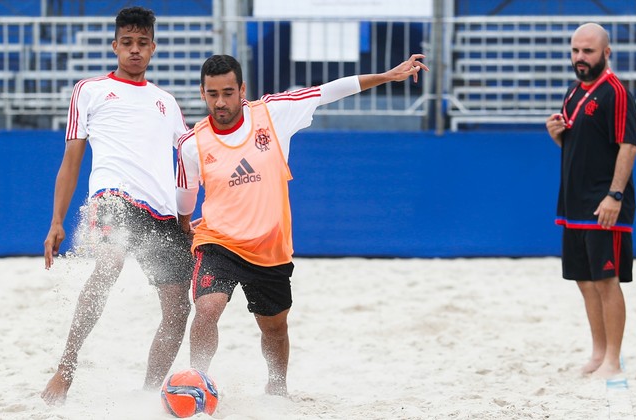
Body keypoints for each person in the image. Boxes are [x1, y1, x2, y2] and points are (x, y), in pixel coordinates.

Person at [175, 54, 429, 396]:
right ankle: (196, 383)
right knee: (206, 309)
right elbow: (185, 194)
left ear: (242, 90)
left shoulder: (273, 113)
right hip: (218, 240)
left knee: (275, 328)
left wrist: (387, 76)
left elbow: (329, 91)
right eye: (213, 94)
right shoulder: (192, 143)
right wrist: (184, 228)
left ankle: (277, 388)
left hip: (269, 246)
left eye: (228, 92)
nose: (221, 102)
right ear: (202, 92)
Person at [41, 6, 194, 405]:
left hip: (161, 212)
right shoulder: (89, 90)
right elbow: (71, 159)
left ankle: (148, 393)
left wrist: (184, 219)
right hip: (113, 198)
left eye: (142, 43)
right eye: (127, 43)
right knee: (109, 264)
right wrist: (57, 220)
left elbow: (187, 163)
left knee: (179, 308)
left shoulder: (167, 102)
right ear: (114, 46)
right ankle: (66, 367)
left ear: (153, 48)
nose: (135, 50)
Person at [545, 23, 636, 379]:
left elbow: (627, 146)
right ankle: (598, 353)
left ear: (606, 53)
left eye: (588, 51)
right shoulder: (572, 92)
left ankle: (614, 359)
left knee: (606, 280)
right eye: (575, 51)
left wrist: (614, 195)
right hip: (573, 203)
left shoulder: (616, 92)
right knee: (584, 281)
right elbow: (578, 147)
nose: (580, 57)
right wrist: (556, 136)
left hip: (605, 202)